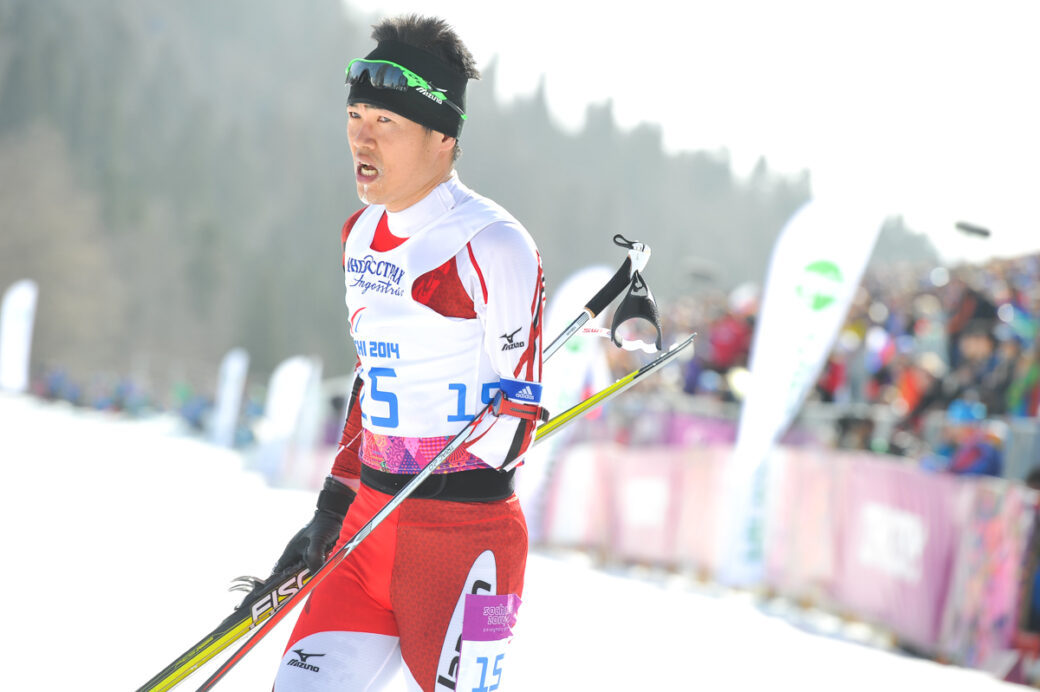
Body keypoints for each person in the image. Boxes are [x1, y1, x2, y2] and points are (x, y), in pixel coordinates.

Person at [270, 15, 545, 691]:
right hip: (366, 531)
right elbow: (371, 379)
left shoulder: (494, 245)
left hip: (464, 546)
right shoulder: (359, 234)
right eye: (355, 115)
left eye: (385, 121)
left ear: (442, 136)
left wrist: (451, 463)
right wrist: (332, 505)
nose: (361, 137)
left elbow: (520, 413)